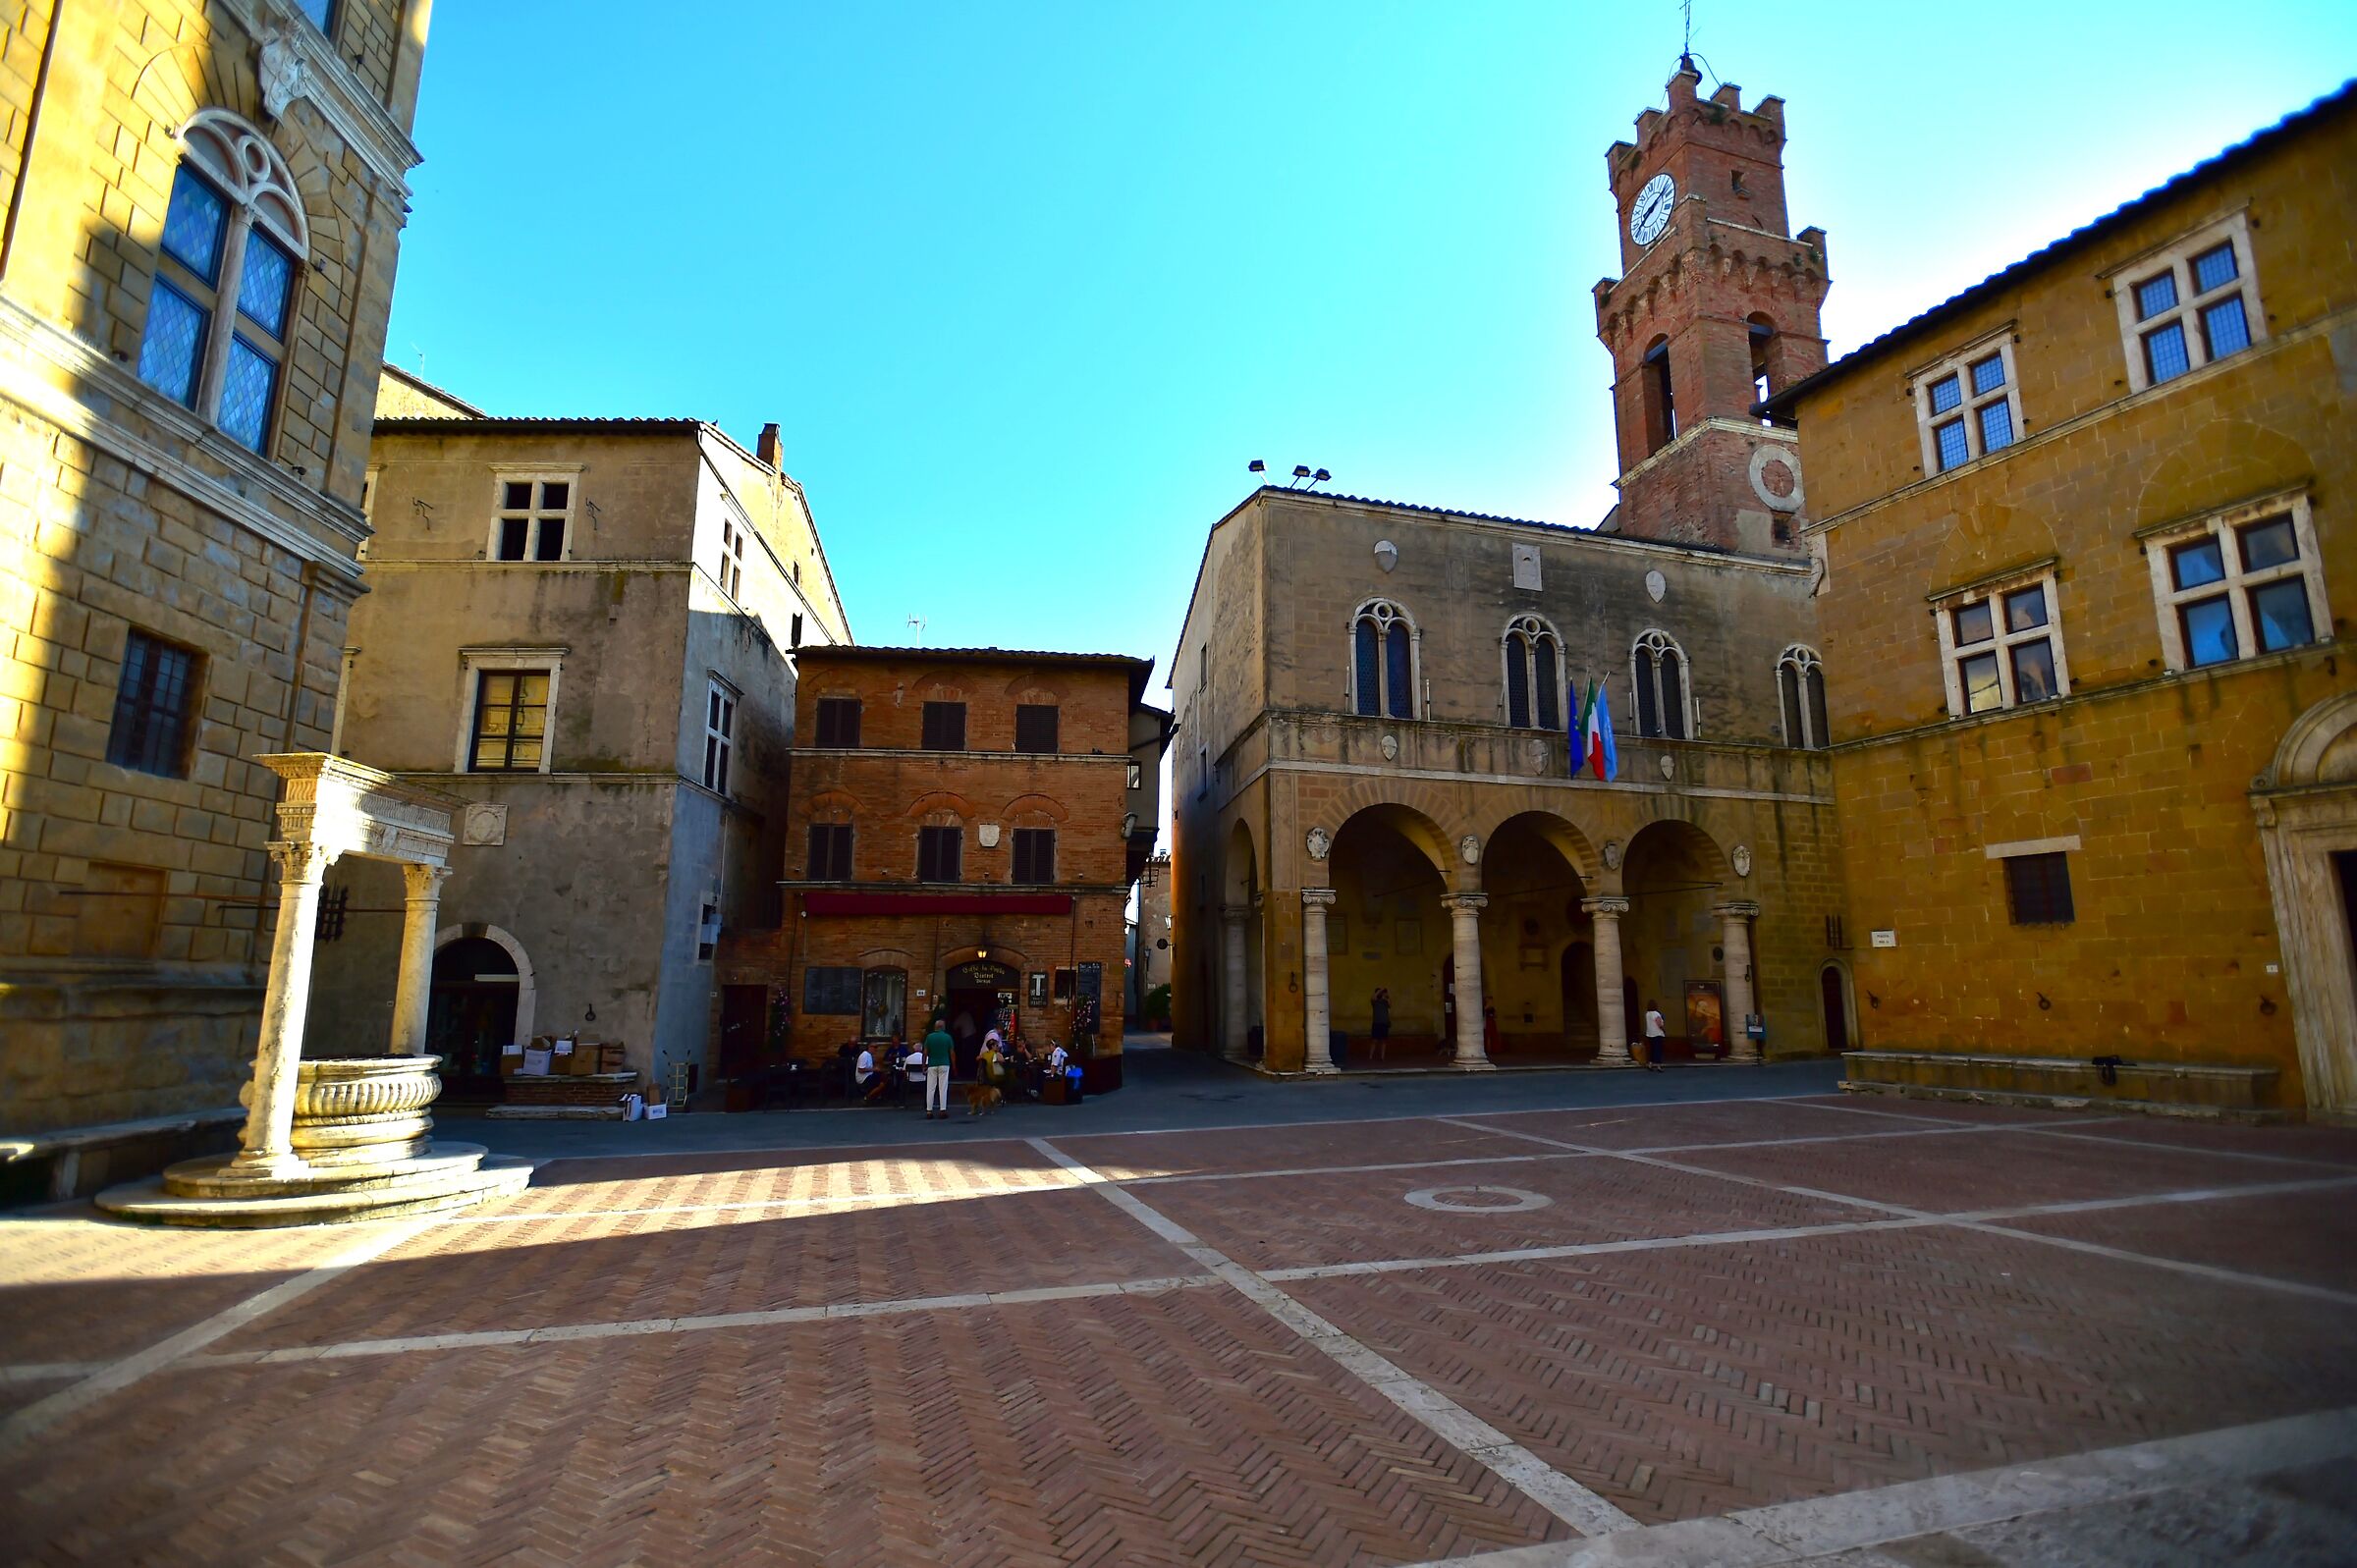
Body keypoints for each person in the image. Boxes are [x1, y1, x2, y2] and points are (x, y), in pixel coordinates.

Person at [922, 1016, 955, 1119]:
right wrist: (954, 1066)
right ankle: (942, 1109)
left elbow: (925, 1052)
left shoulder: (929, 1037)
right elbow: (952, 1053)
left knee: (930, 1088)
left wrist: (924, 1065)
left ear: (935, 1027)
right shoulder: (948, 1037)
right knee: (943, 1087)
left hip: (932, 1064)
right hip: (944, 1063)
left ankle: (929, 1110)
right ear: (943, 1027)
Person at [1641, 999, 1668, 1073]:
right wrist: (1664, 1030)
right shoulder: (1656, 1014)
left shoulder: (1647, 1014)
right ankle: (1659, 1066)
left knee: (1652, 1050)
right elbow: (1659, 1024)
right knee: (1658, 1050)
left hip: (1650, 1034)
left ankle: (1650, 1064)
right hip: (1657, 1034)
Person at [1369, 988, 1391, 1062]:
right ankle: (1370, 1056)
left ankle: (1382, 1057)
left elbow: (1390, 1004)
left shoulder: (1385, 1001)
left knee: (1383, 1041)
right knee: (1374, 1041)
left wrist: (1386, 996)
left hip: (1384, 1023)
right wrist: (1379, 991)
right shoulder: (1375, 1002)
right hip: (1376, 1023)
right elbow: (1372, 998)